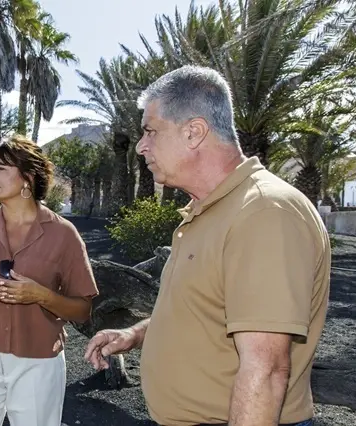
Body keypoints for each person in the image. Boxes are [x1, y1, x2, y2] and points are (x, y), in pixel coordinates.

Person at [84, 65, 330, 426]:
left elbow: (266, 370)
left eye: (150, 131)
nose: (140, 146)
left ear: (194, 132)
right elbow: (202, 312)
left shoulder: (263, 212)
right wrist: (134, 334)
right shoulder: (208, 211)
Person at [0, 135, 99, 426]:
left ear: (28, 177)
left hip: (38, 364)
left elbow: (82, 310)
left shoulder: (64, 234)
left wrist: (40, 295)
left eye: (2, 169)